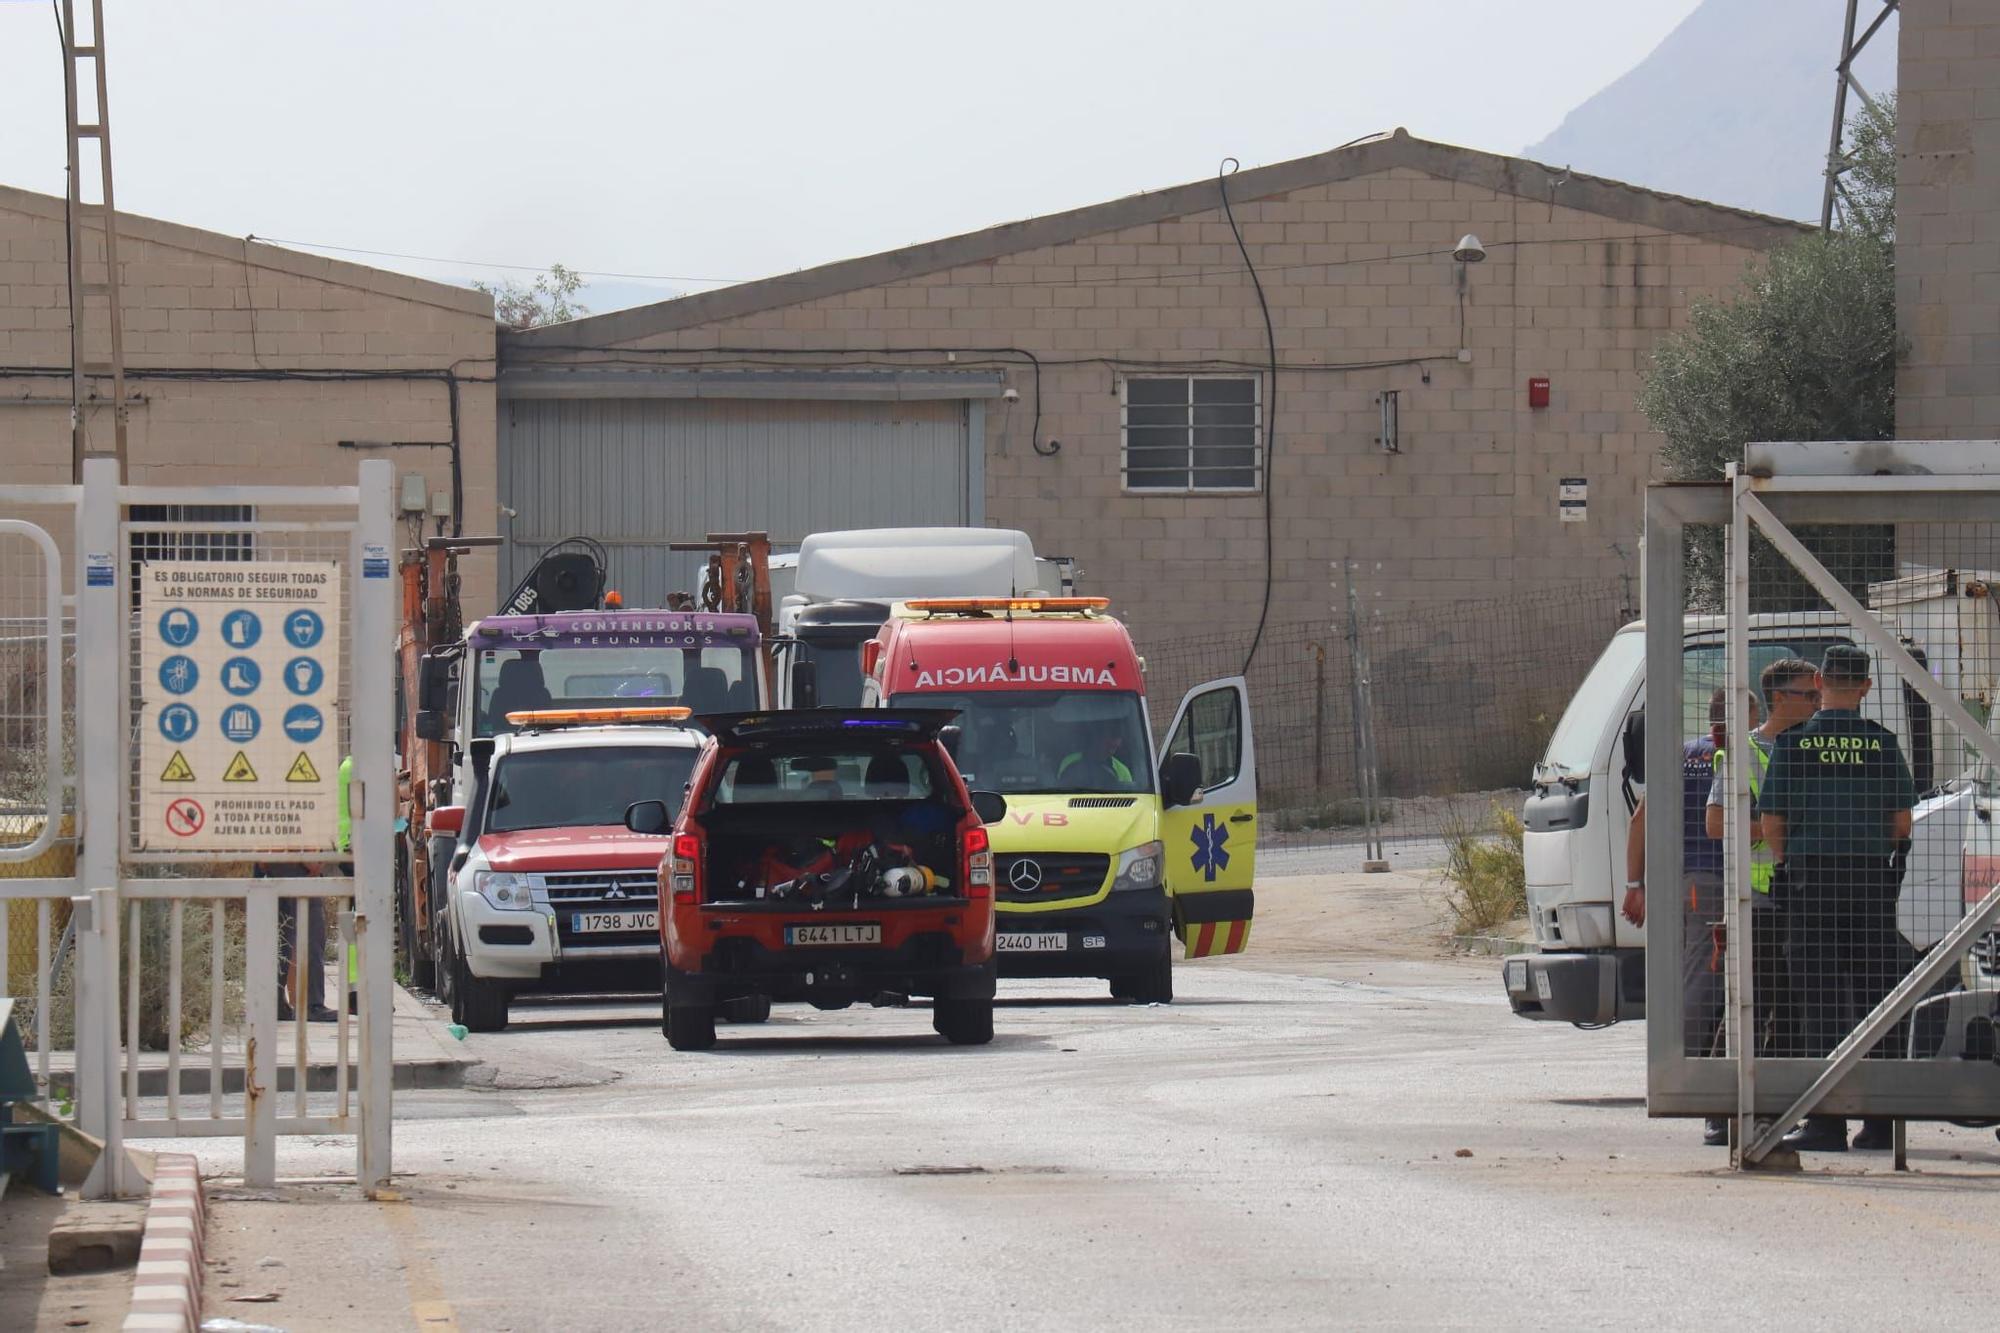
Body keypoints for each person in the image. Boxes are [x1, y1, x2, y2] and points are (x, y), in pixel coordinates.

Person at [1757, 644, 1917, 1153]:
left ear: (1822, 681)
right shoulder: (1883, 743)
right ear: (1866, 687)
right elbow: (1901, 822)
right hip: (1869, 882)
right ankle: (1881, 1122)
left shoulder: (1794, 744)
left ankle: (1825, 1122)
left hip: (1810, 884)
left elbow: (1772, 821)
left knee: (1819, 997)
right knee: (1876, 995)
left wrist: (1787, 863)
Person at [1621, 688, 1732, 1145]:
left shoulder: (1679, 756)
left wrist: (1634, 885)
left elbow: (1639, 821)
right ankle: (1687, 1071)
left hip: (1690, 881)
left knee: (1699, 973)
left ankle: (1689, 1067)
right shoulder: (1743, 756)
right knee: (1709, 978)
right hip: (1719, 878)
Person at [1705, 658, 1820, 1062]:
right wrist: (1777, 831)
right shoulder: (1746, 753)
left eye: (1818, 692)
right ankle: (1722, 1111)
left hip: (1806, 897)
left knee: (1792, 1011)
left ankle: (1774, 1104)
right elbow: (1716, 822)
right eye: (1808, 694)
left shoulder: (1815, 747)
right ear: (1778, 698)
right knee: (1751, 1006)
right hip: (1760, 900)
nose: (1816, 702)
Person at [261, 861, 336, 1024]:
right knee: (311, 934)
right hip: (300, 868)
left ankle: (276, 1003)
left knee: (282, 936)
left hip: (274, 864)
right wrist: (312, 861)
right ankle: (312, 1004)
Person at [1058, 725, 1134, 791]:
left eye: (1114, 747)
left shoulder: (1123, 771)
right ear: (1097, 739)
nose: (1111, 751)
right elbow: (1060, 791)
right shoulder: (1069, 761)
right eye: (1107, 745)